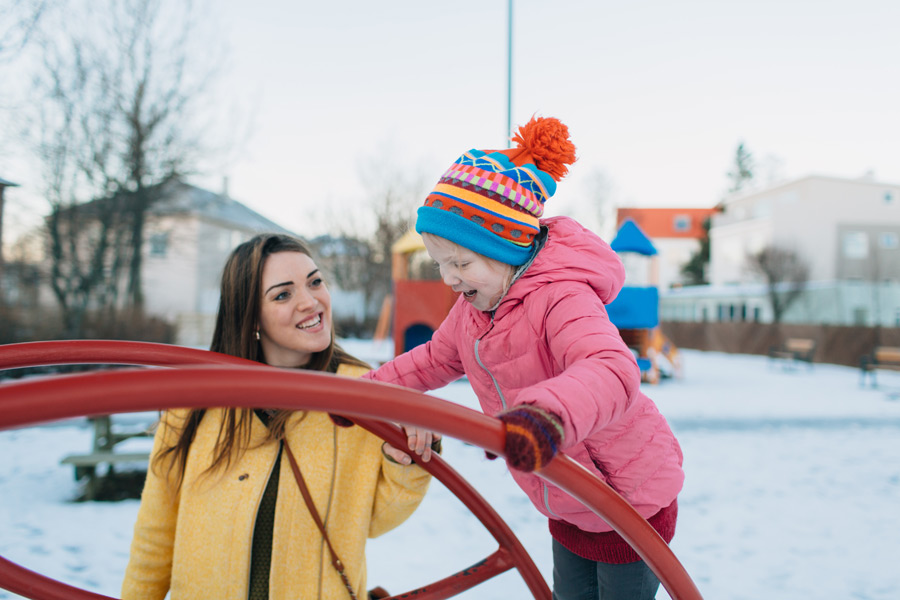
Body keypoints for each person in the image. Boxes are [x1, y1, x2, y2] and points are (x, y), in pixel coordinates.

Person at [363, 116, 685, 600]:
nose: (449, 279)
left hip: (627, 500)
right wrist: (369, 394)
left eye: (461, 263)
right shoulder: (471, 312)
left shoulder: (562, 297)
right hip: (566, 498)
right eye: (440, 264)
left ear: (507, 247)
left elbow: (612, 371)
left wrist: (545, 416)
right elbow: (431, 360)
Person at [121, 233, 435, 600]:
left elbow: (373, 518)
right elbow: (156, 537)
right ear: (252, 316)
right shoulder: (195, 404)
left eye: (315, 282)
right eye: (283, 294)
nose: (310, 301)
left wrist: (403, 460)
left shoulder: (363, 393)